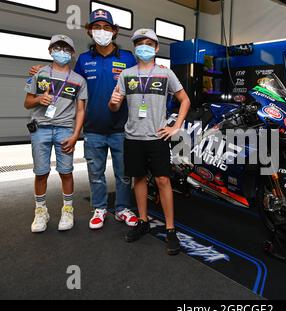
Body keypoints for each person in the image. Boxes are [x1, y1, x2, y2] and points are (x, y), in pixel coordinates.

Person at [29, 9, 138, 230]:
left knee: (124, 174)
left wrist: (159, 67)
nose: (102, 32)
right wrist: (43, 70)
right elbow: (68, 80)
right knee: (95, 174)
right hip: (93, 129)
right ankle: (98, 208)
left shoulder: (127, 58)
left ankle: (123, 208)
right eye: (97, 27)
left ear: (114, 31)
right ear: (90, 31)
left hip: (121, 128)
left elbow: (142, 78)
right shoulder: (84, 60)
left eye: (106, 27)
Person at [109, 29, 191, 255]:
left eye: (148, 44)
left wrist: (176, 126)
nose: (144, 47)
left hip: (157, 137)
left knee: (163, 179)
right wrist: (114, 102)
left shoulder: (166, 74)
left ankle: (171, 229)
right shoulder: (126, 74)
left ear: (155, 49)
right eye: (139, 44)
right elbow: (114, 106)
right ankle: (143, 221)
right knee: (139, 178)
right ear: (135, 48)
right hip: (133, 136)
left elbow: (184, 100)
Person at [25, 35, 87, 233]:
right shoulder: (39, 74)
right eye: (58, 48)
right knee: (41, 173)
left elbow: (80, 110)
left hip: (65, 130)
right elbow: (27, 102)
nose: (62, 52)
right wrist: (38, 99)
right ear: (50, 50)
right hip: (40, 129)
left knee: (66, 172)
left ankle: (68, 210)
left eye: (66, 49)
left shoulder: (79, 80)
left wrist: (76, 134)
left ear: (72, 53)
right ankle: (41, 211)